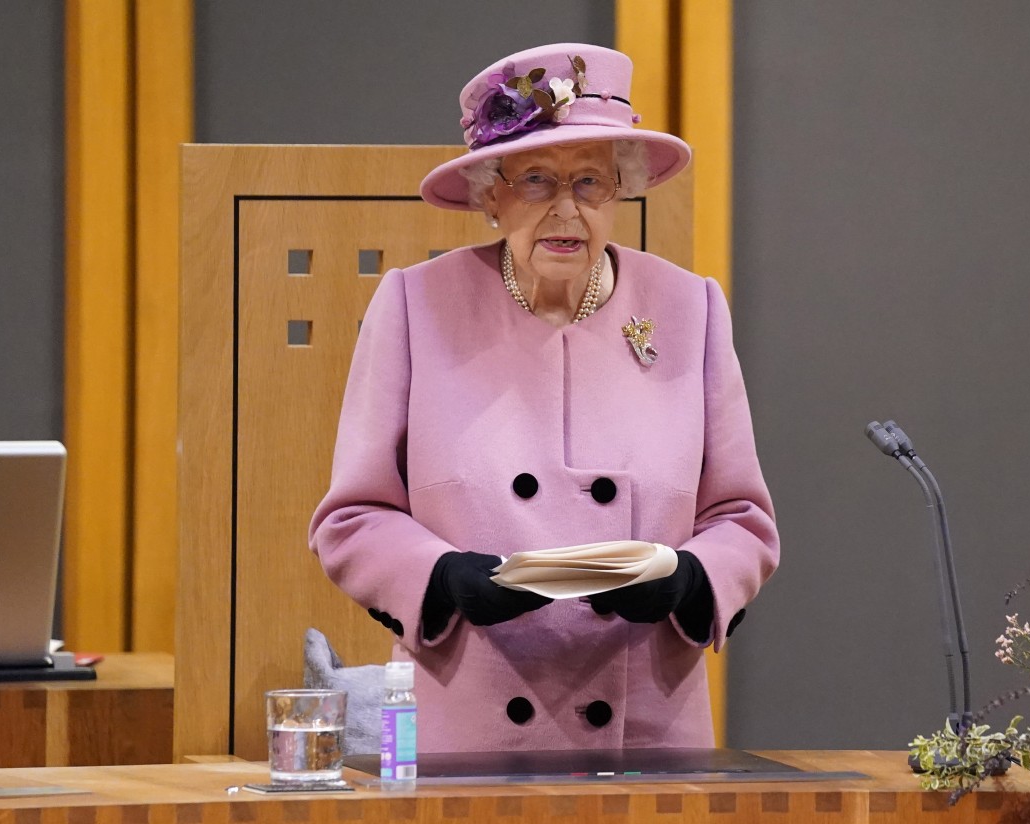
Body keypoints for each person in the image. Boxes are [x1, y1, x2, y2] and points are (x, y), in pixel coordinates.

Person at [309, 43, 778, 752]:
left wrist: (690, 579)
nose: (566, 209)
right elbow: (353, 516)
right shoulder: (416, 306)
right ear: (489, 195)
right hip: (468, 726)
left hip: (645, 733)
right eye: (536, 180)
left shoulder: (691, 310)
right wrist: (441, 577)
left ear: (618, 193)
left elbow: (742, 521)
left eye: (590, 181)